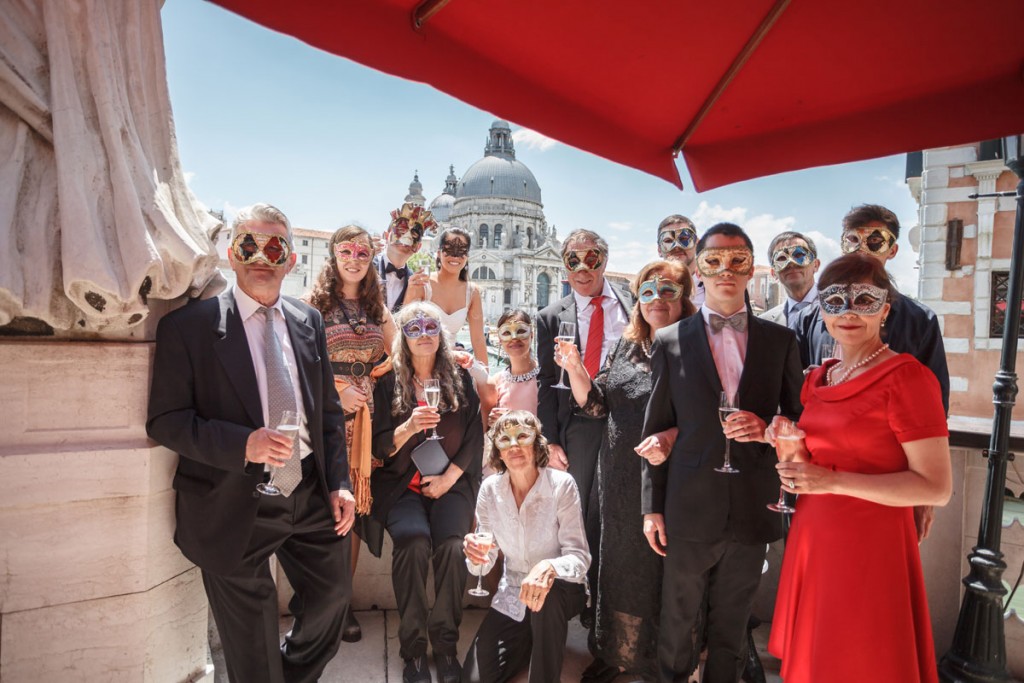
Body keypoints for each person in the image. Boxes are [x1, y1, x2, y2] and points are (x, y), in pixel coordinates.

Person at [147, 203, 356, 682]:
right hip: (229, 500)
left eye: (274, 245)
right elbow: (166, 422)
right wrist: (244, 445)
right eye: (249, 244)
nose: (261, 255)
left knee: (332, 601)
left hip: (306, 492)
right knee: (251, 639)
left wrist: (339, 482)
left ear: (291, 260)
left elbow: (326, 412)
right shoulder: (188, 328)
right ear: (231, 254)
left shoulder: (308, 321)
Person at [767, 252, 952, 683]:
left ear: (885, 310)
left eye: (864, 300)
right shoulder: (822, 378)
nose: (848, 312)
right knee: (817, 657)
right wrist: (782, 440)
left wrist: (832, 482)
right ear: (821, 310)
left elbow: (936, 487)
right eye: (834, 301)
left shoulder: (908, 378)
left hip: (870, 541)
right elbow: (812, 464)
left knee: (862, 656)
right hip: (814, 533)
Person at [640, 222, 804, 683]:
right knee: (676, 621)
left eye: (738, 261)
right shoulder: (670, 341)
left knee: (731, 628)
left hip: (754, 501)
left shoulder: (782, 341)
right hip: (689, 504)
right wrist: (652, 507)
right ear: (699, 268)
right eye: (714, 261)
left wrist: (768, 429)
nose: (726, 270)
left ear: (752, 269)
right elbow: (657, 428)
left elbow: (799, 419)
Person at [557, 260, 695, 682]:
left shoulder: (695, 349)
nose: (657, 299)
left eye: (668, 290)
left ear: (685, 296)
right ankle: (615, 651)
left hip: (671, 477)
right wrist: (575, 367)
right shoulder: (626, 345)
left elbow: (709, 415)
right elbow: (598, 404)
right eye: (648, 291)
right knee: (615, 563)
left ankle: (659, 657)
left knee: (659, 566)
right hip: (616, 476)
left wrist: (671, 435)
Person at [370, 301, 484, 683]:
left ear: (441, 334)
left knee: (453, 547)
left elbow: (474, 436)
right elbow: (378, 447)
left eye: (430, 327)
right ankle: (414, 650)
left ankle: (446, 644)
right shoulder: (388, 381)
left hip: (451, 482)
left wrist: (451, 478)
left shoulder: (458, 376)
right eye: (414, 328)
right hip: (403, 486)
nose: (423, 334)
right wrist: (407, 429)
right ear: (404, 335)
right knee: (413, 540)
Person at [536, 228, 631, 630]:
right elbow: (544, 383)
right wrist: (551, 439)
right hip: (577, 424)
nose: (581, 268)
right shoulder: (549, 316)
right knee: (581, 516)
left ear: (604, 260)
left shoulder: (631, 303)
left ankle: (612, 605)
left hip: (625, 418)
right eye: (572, 260)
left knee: (619, 512)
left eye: (590, 258)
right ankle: (585, 605)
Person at [306, 223, 398, 643]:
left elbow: (397, 356)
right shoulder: (313, 303)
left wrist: (374, 381)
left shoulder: (378, 309)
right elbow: (300, 362)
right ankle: (319, 604)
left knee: (353, 517)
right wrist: (337, 393)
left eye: (363, 253)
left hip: (366, 423)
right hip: (327, 419)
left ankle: (341, 605)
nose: (355, 260)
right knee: (321, 513)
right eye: (347, 251)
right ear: (334, 255)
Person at [461, 411, 590, 683]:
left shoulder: (561, 485)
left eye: (522, 436)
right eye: (504, 440)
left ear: (536, 443)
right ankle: (530, 637)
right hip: (514, 593)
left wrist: (549, 567)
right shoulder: (489, 489)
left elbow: (580, 558)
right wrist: (474, 556)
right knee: (472, 679)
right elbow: (484, 560)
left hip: (563, 588)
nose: (514, 446)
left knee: (547, 597)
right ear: (497, 449)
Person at [429, 227, 488, 365]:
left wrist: (485, 378)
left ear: (467, 256)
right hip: (420, 365)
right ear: (438, 253)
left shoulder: (472, 292)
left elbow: (478, 340)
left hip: (453, 366)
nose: (455, 256)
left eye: (461, 251)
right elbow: (404, 332)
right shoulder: (421, 284)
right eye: (449, 250)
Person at [484, 309, 541, 429]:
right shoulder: (495, 382)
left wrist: (510, 420)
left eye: (521, 331)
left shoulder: (547, 378)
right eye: (506, 333)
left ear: (531, 334)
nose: (514, 338)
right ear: (500, 339)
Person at [376, 202, 435, 312]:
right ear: (386, 235)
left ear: (418, 246)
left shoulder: (417, 284)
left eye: (414, 235)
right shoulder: (364, 268)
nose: (407, 238)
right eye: (401, 231)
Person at [760, 231, 820, 329]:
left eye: (799, 255)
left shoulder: (843, 308)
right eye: (781, 258)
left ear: (816, 265)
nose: (791, 263)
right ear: (773, 273)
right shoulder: (764, 324)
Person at [656, 214, 703, 306]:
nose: (677, 246)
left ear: (697, 244)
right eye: (668, 241)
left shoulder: (717, 286)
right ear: (659, 250)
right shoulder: (649, 291)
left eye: (684, 239)